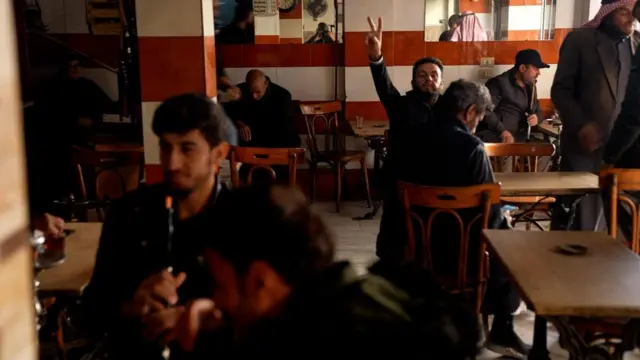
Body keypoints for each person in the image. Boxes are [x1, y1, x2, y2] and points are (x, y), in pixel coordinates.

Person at [171, 185, 481, 358]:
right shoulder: (323, 292)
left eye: (218, 284)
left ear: (260, 280)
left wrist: (189, 346)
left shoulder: (338, 337)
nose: (216, 297)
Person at [79, 94, 236, 359]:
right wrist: (132, 304)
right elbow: (91, 315)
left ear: (218, 153)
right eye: (165, 147)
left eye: (187, 148)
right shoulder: (129, 213)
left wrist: (201, 318)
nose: (171, 163)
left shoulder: (247, 217)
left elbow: (275, 320)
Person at [551, 0, 640, 231]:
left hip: (624, 153)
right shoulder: (580, 40)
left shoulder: (637, 44)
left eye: (633, 13)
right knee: (579, 229)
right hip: (585, 148)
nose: (630, 18)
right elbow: (561, 90)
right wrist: (581, 125)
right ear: (608, 14)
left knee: (620, 230)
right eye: (623, 13)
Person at [602, 1, 640, 242]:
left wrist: (610, 156)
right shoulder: (583, 41)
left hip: (633, 159)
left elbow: (634, 114)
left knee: (613, 193)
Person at [224, 70, 300, 149]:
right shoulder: (239, 91)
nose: (254, 96)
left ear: (266, 84)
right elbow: (227, 113)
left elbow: (288, 125)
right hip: (248, 140)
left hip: (274, 138)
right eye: (251, 92)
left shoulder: (282, 95)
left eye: (258, 92)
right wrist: (239, 122)